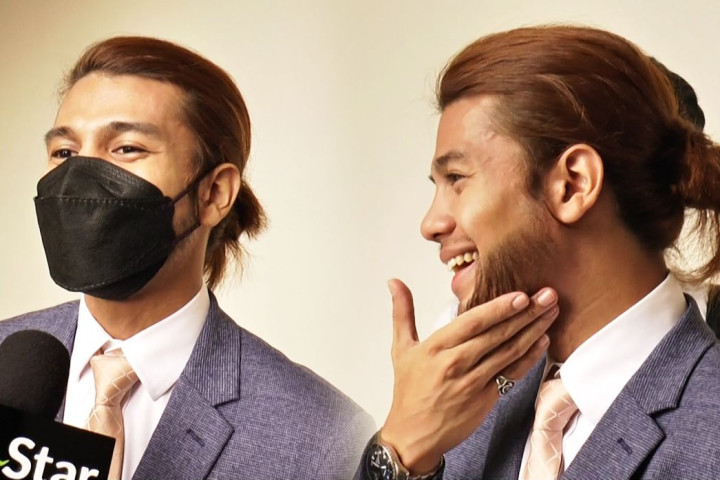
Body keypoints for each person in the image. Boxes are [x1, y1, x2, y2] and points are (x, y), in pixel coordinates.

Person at [0, 36, 372, 480]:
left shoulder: (324, 439)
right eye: (65, 153)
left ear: (214, 194)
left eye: (127, 148)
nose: (79, 177)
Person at [358, 25, 720, 480]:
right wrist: (401, 451)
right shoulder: (455, 402)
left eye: (457, 179)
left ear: (573, 185)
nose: (430, 224)